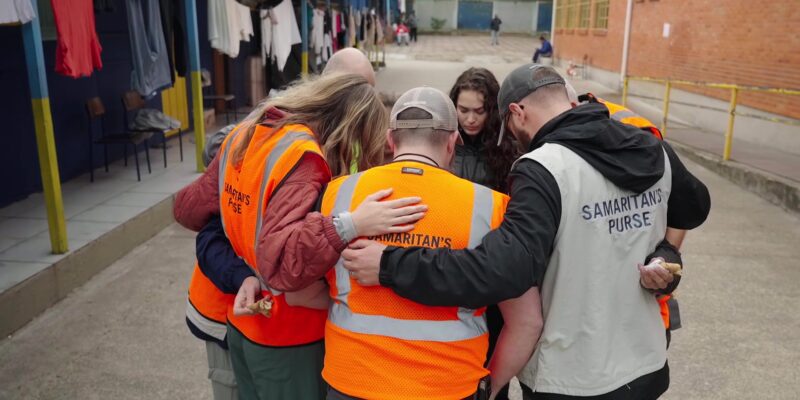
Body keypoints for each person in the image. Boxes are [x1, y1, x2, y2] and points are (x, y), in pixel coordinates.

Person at [342, 64, 711, 399]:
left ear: (517, 112)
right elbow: (694, 208)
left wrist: (391, 264)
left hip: (572, 375)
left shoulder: (544, 167)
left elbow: (500, 271)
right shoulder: (653, 148)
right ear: (570, 100)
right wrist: (667, 253)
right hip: (644, 362)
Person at [174, 73, 426, 400]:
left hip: (247, 324)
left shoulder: (247, 134)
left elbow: (189, 208)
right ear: (354, 128)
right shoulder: (304, 158)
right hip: (288, 337)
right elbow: (284, 264)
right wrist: (351, 224)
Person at [295, 86, 542, 400]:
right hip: (449, 386)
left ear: (390, 139)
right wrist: (490, 386)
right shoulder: (490, 208)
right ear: (452, 142)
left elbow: (298, 291)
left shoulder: (337, 195)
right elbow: (527, 322)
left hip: (352, 382)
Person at [449, 67, 520, 399]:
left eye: (479, 110)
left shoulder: (508, 150)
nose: (471, 119)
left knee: (491, 363)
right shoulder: (444, 144)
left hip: (492, 268)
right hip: (449, 261)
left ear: (492, 110)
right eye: (463, 110)